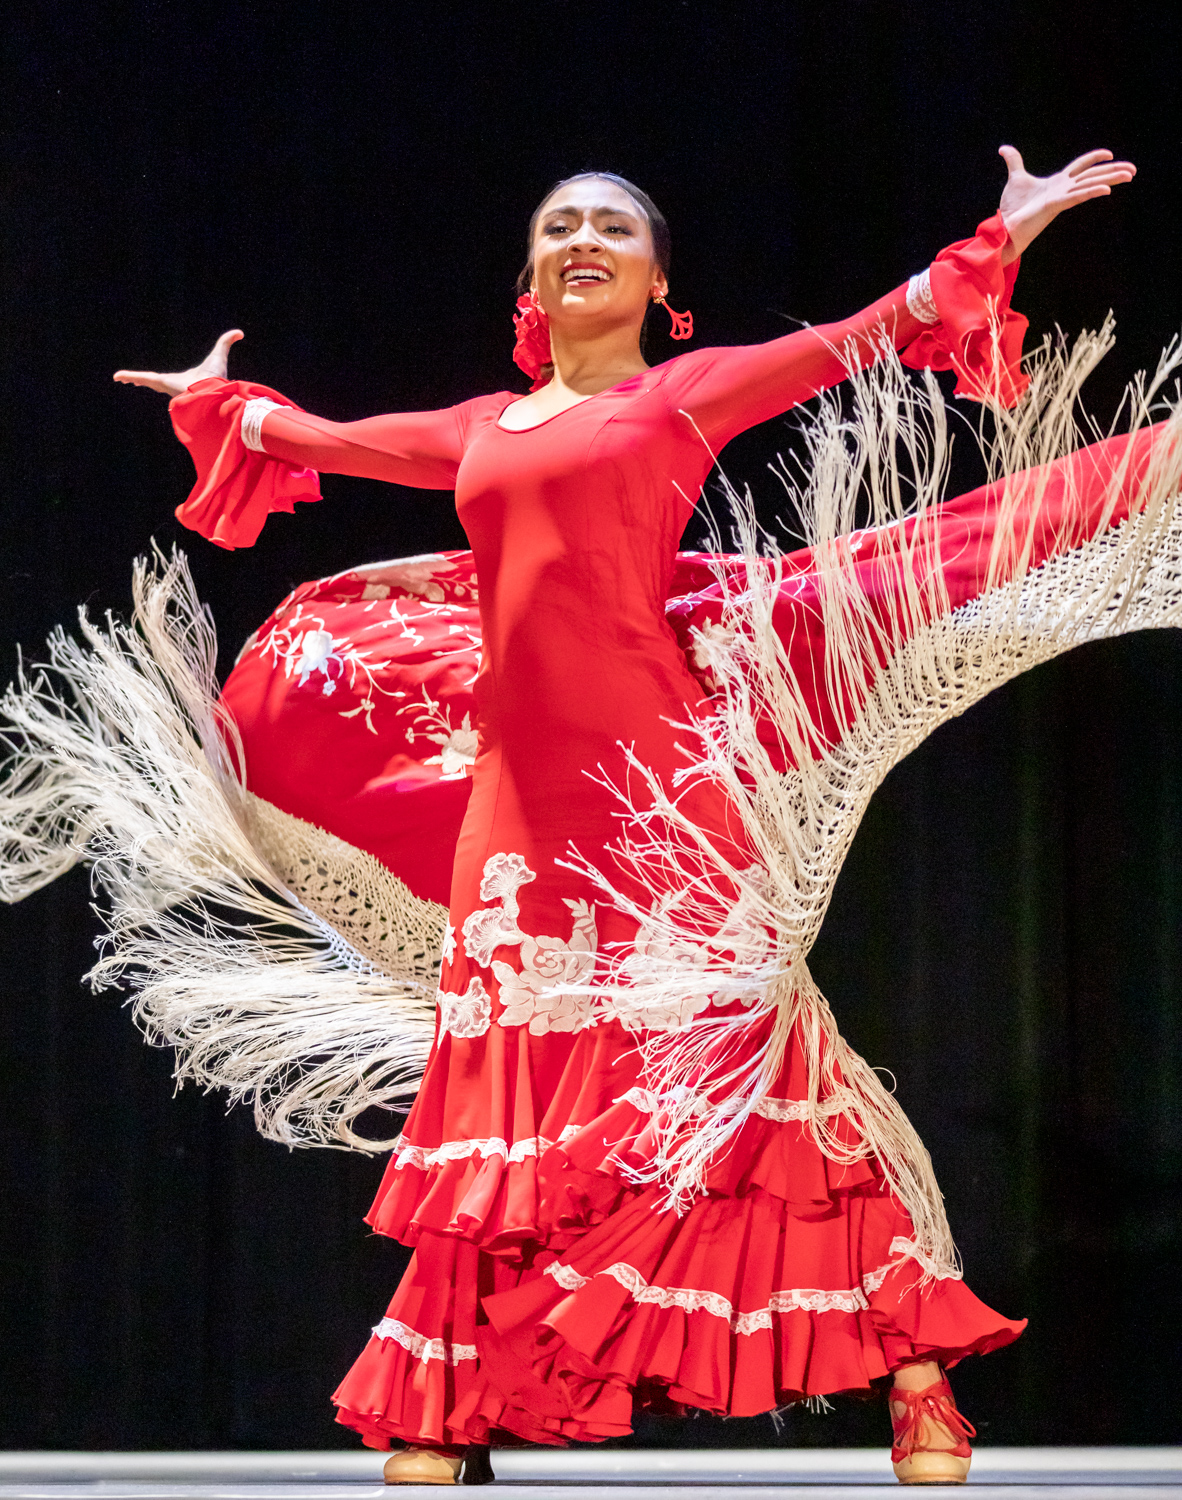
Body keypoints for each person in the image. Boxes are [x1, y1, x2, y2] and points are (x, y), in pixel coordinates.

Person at [11, 148, 1150, 1484]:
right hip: (517, 817)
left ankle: (914, 1370)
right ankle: (438, 1408)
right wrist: (227, 408)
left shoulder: (681, 396)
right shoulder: (482, 430)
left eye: (613, 226)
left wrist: (1001, 233)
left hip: (663, 797)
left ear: (656, 281)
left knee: (749, 1077)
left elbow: (869, 334)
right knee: (497, 1098)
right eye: (561, 226)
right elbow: (316, 439)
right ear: (532, 278)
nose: (583, 239)